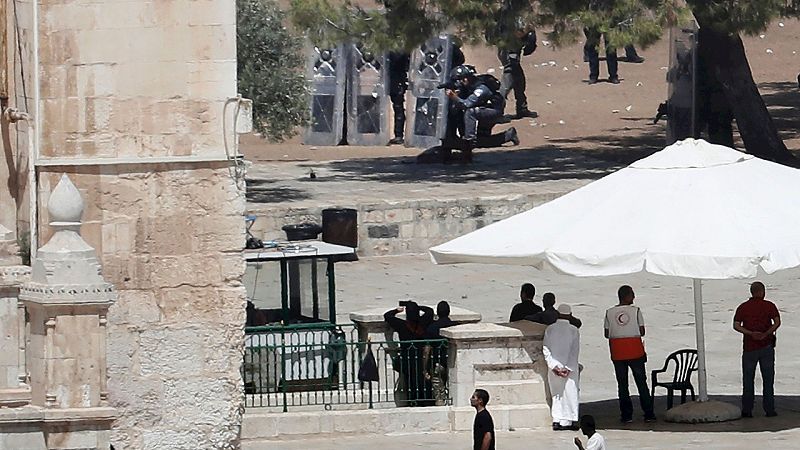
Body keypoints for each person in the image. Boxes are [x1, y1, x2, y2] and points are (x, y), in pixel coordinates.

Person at [444, 65, 519, 162]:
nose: (458, 83)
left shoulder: (482, 88)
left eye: (459, 80)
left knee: (470, 112)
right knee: (482, 141)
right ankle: (508, 135)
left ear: (465, 78)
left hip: (493, 112)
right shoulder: (468, 86)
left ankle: (468, 144)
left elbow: (467, 104)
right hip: (484, 110)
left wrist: (454, 97)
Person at [604, 285, 656, 423]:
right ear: (626, 296)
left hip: (617, 352)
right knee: (641, 383)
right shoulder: (636, 311)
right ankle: (649, 413)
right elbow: (642, 331)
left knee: (622, 385)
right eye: (632, 294)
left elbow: (606, 333)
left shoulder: (609, 312)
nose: (634, 297)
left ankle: (626, 415)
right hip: (635, 350)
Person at [733, 281, 781, 418]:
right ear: (762, 292)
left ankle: (747, 410)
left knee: (748, 380)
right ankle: (769, 409)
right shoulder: (769, 306)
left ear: (752, 292)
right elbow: (777, 322)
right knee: (768, 380)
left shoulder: (743, 307)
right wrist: (766, 333)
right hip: (766, 346)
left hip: (749, 347)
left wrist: (750, 333)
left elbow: (736, 325)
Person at [385, 301, 434, 406]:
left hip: (407, 359)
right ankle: (424, 401)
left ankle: (413, 401)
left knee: (410, 382)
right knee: (422, 380)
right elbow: (430, 311)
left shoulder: (402, 325)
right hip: (421, 358)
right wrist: (417, 307)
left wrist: (397, 310)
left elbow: (387, 316)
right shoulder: (423, 323)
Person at [543, 304, 581, 431]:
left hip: (554, 368)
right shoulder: (574, 330)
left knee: (556, 394)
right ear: (570, 315)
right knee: (570, 393)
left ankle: (557, 419)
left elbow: (546, 349)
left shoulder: (550, 329)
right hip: (569, 368)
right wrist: (568, 368)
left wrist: (554, 366)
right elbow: (574, 351)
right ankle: (571, 420)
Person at [494, 18, 538, 119]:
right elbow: (516, 34)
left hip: (513, 54)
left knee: (519, 81)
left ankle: (522, 109)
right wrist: (528, 30)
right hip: (508, 54)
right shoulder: (508, 16)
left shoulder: (517, 14)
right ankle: (497, 111)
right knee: (506, 84)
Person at [387, 51, 411, 145]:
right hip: (391, 80)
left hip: (397, 81)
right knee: (397, 107)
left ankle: (399, 135)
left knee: (398, 108)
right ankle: (398, 135)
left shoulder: (401, 52)